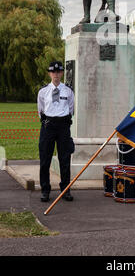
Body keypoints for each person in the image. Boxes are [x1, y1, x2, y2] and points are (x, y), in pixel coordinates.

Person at [37, 61, 75, 202]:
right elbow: (40, 110)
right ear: (49, 73)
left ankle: (65, 190)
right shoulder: (43, 91)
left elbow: (71, 109)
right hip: (48, 126)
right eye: (53, 72)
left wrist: (63, 121)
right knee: (45, 159)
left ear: (62, 73)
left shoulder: (68, 91)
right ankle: (45, 190)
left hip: (63, 126)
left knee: (64, 160)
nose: (56, 75)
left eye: (58, 72)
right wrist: (47, 121)